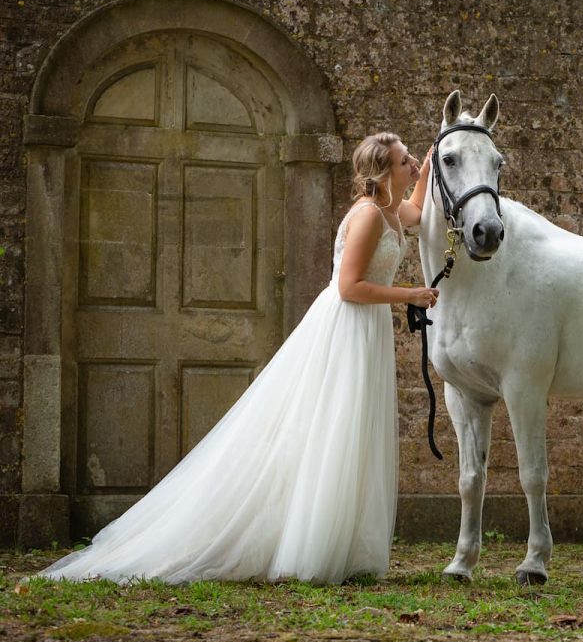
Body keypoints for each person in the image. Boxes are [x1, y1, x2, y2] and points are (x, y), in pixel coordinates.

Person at [37, 133, 440, 585]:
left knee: (353, 428)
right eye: (406, 162)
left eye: (411, 162)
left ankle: (342, 542)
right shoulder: (367, 216)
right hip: (347, 325)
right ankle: (307, 545)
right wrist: (411, 295)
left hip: (368, 331)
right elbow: (348, 287)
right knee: (331, 426)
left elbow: (419, 213)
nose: (411, 168)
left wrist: (426, 170)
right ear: (385, 173)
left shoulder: (391, 210)